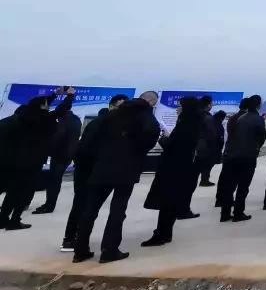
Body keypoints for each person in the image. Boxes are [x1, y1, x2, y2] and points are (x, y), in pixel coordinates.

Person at [73, 92, 160, 263]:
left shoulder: (113, 114)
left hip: (102, 166)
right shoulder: (145, 114)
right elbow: (152, 133)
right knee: (118, 210)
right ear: (149, 101)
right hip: (126, 169)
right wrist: (138, 150)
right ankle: (109, 250)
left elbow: (91, 139)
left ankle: (80, 250)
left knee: (90, 210)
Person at [0, 87, 76, 230]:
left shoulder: (22, 117)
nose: (48, 106)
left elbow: (41, 104)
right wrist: (70, 96)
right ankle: (15, 220)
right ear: (42, 107)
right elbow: (61, 110)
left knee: (12, 191)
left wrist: (54, 94)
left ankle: (3, 218)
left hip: (15, 160)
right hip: (33, 161)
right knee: (23, 191)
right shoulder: (43, 119)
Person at [61, 100, 124, 251]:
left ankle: (75, 239)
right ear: (111, 106)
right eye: (118, 107)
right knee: (82, 204)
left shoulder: (105, 123)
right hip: (88, 170)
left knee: (84, 205)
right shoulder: (100, 124)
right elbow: (86, 148)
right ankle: (70, 239)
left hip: (93, 169)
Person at [141, 96, 201, 247]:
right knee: (171, 203)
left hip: (173, 168)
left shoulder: (185, 125)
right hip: (182, 168)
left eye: (180, 106)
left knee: (167, 202)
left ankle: (161, 234)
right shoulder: (194, 123)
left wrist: (163, 139)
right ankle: (166, 233)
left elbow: (173, 146)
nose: (177, 109)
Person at [217, 96, 266, 223]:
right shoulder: (258, 119)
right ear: (258, 105)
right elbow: (261, 138)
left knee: (230, 185)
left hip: (232, 155)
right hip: (247, 156)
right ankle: (238, 213)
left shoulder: (239, 118)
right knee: (243, 186)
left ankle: (225, 213)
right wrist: (255, 148)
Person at [33, 92, 82, 215]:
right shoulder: (76, 119)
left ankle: (49, 205)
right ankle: (50, 204)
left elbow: (58, 137)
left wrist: (47, 148)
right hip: (68, 154)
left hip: (60, 153)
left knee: (54, 180)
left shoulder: (63, 120)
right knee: (56, 179)